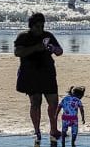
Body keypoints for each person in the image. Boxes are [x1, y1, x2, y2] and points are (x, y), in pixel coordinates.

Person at [14, 13, 64, 144]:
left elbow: (60, 51)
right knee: (35, 103)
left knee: (53, 103)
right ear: (31, 26)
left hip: (47, 72)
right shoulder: (23, 36)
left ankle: (54, 129)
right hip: (30, 73)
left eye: (42, 26)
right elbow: (17, 52)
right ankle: (37, 131)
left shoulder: (48, 36)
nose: (40, 29)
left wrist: (52, 48)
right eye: (37, 26)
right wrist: (36, 48)